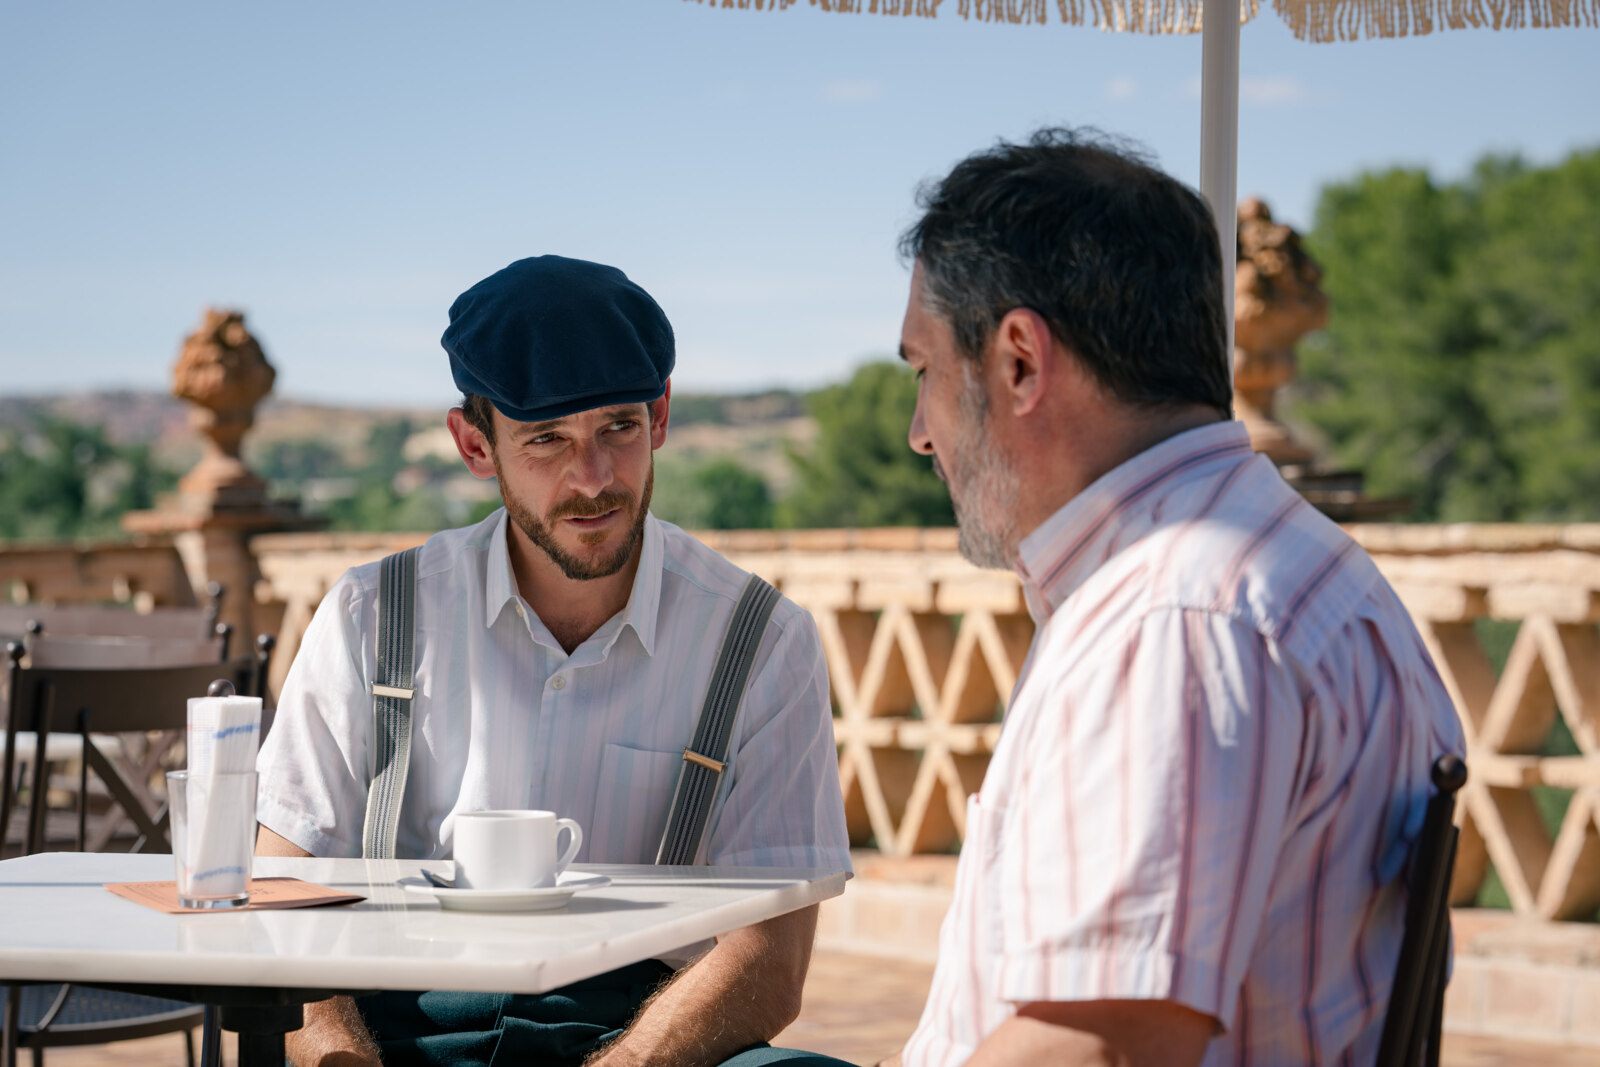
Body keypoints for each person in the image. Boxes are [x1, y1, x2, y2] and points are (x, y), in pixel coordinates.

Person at [886, 129, 1465, 1066]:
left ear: (1021, 360)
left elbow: (1104, 1045)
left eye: (925, 371)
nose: (919, 432)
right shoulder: (1275, 556)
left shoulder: (1171, 617)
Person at [256, 255, 852, 1067]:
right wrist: (343, 1057)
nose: (594, 478)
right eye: (546, 440)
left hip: (648, 1036)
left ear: (663, 416)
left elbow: (772, 960)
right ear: (475, 443)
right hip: (399, 1034)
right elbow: (281, 892)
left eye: (619, 427)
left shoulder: (761, 639)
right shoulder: (372, 616)